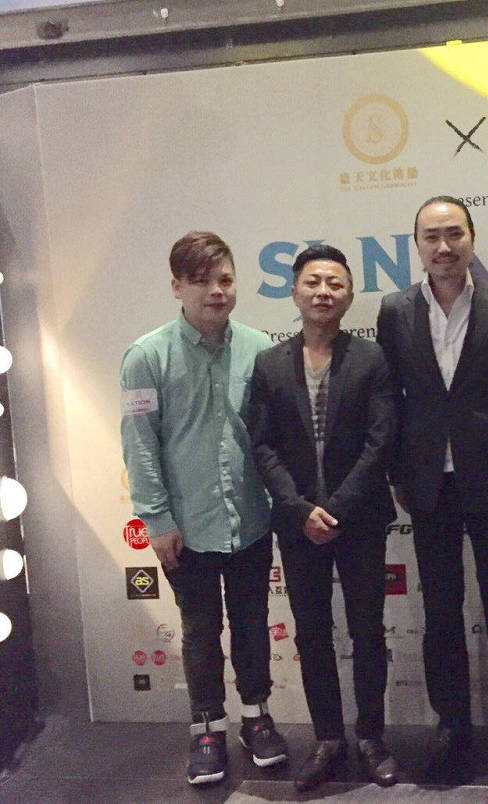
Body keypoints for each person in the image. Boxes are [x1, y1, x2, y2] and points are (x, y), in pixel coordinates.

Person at [376, 195, 488, 782]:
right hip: (428, 484)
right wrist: (397, 474)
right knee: (441, 612)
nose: (444, 247)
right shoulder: (395, 310)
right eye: (432, 237)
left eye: (454, 234)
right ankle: (451, 725)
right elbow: (388, 401)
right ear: (417, 245)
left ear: (472, 237)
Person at [120, 231, 287, 785]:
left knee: (252, 624)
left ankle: (256, 718)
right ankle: (207, 728)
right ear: (177, 287)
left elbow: (271, 436)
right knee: (199, 630)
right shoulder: (146, 357)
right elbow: (139, 444)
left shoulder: (260, 348)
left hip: (251, 518)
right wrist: (156, 520)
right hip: (184, 527)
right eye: (201, 281)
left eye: (225, 279)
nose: (216, 291)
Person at [247, 245, 399, 791]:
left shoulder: (372, 358)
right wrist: (298, 508)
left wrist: (333, 508)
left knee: (367, 631)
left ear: (350, 296)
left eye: (335, 283)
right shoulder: (269, 364)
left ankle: (372, 737)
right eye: (312, 282)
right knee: (312, 633)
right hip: (296, 522)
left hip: (358, 517)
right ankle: (328, 738)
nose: (323, 292)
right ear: (294, 292)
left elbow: (381, 441)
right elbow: (261, 445)